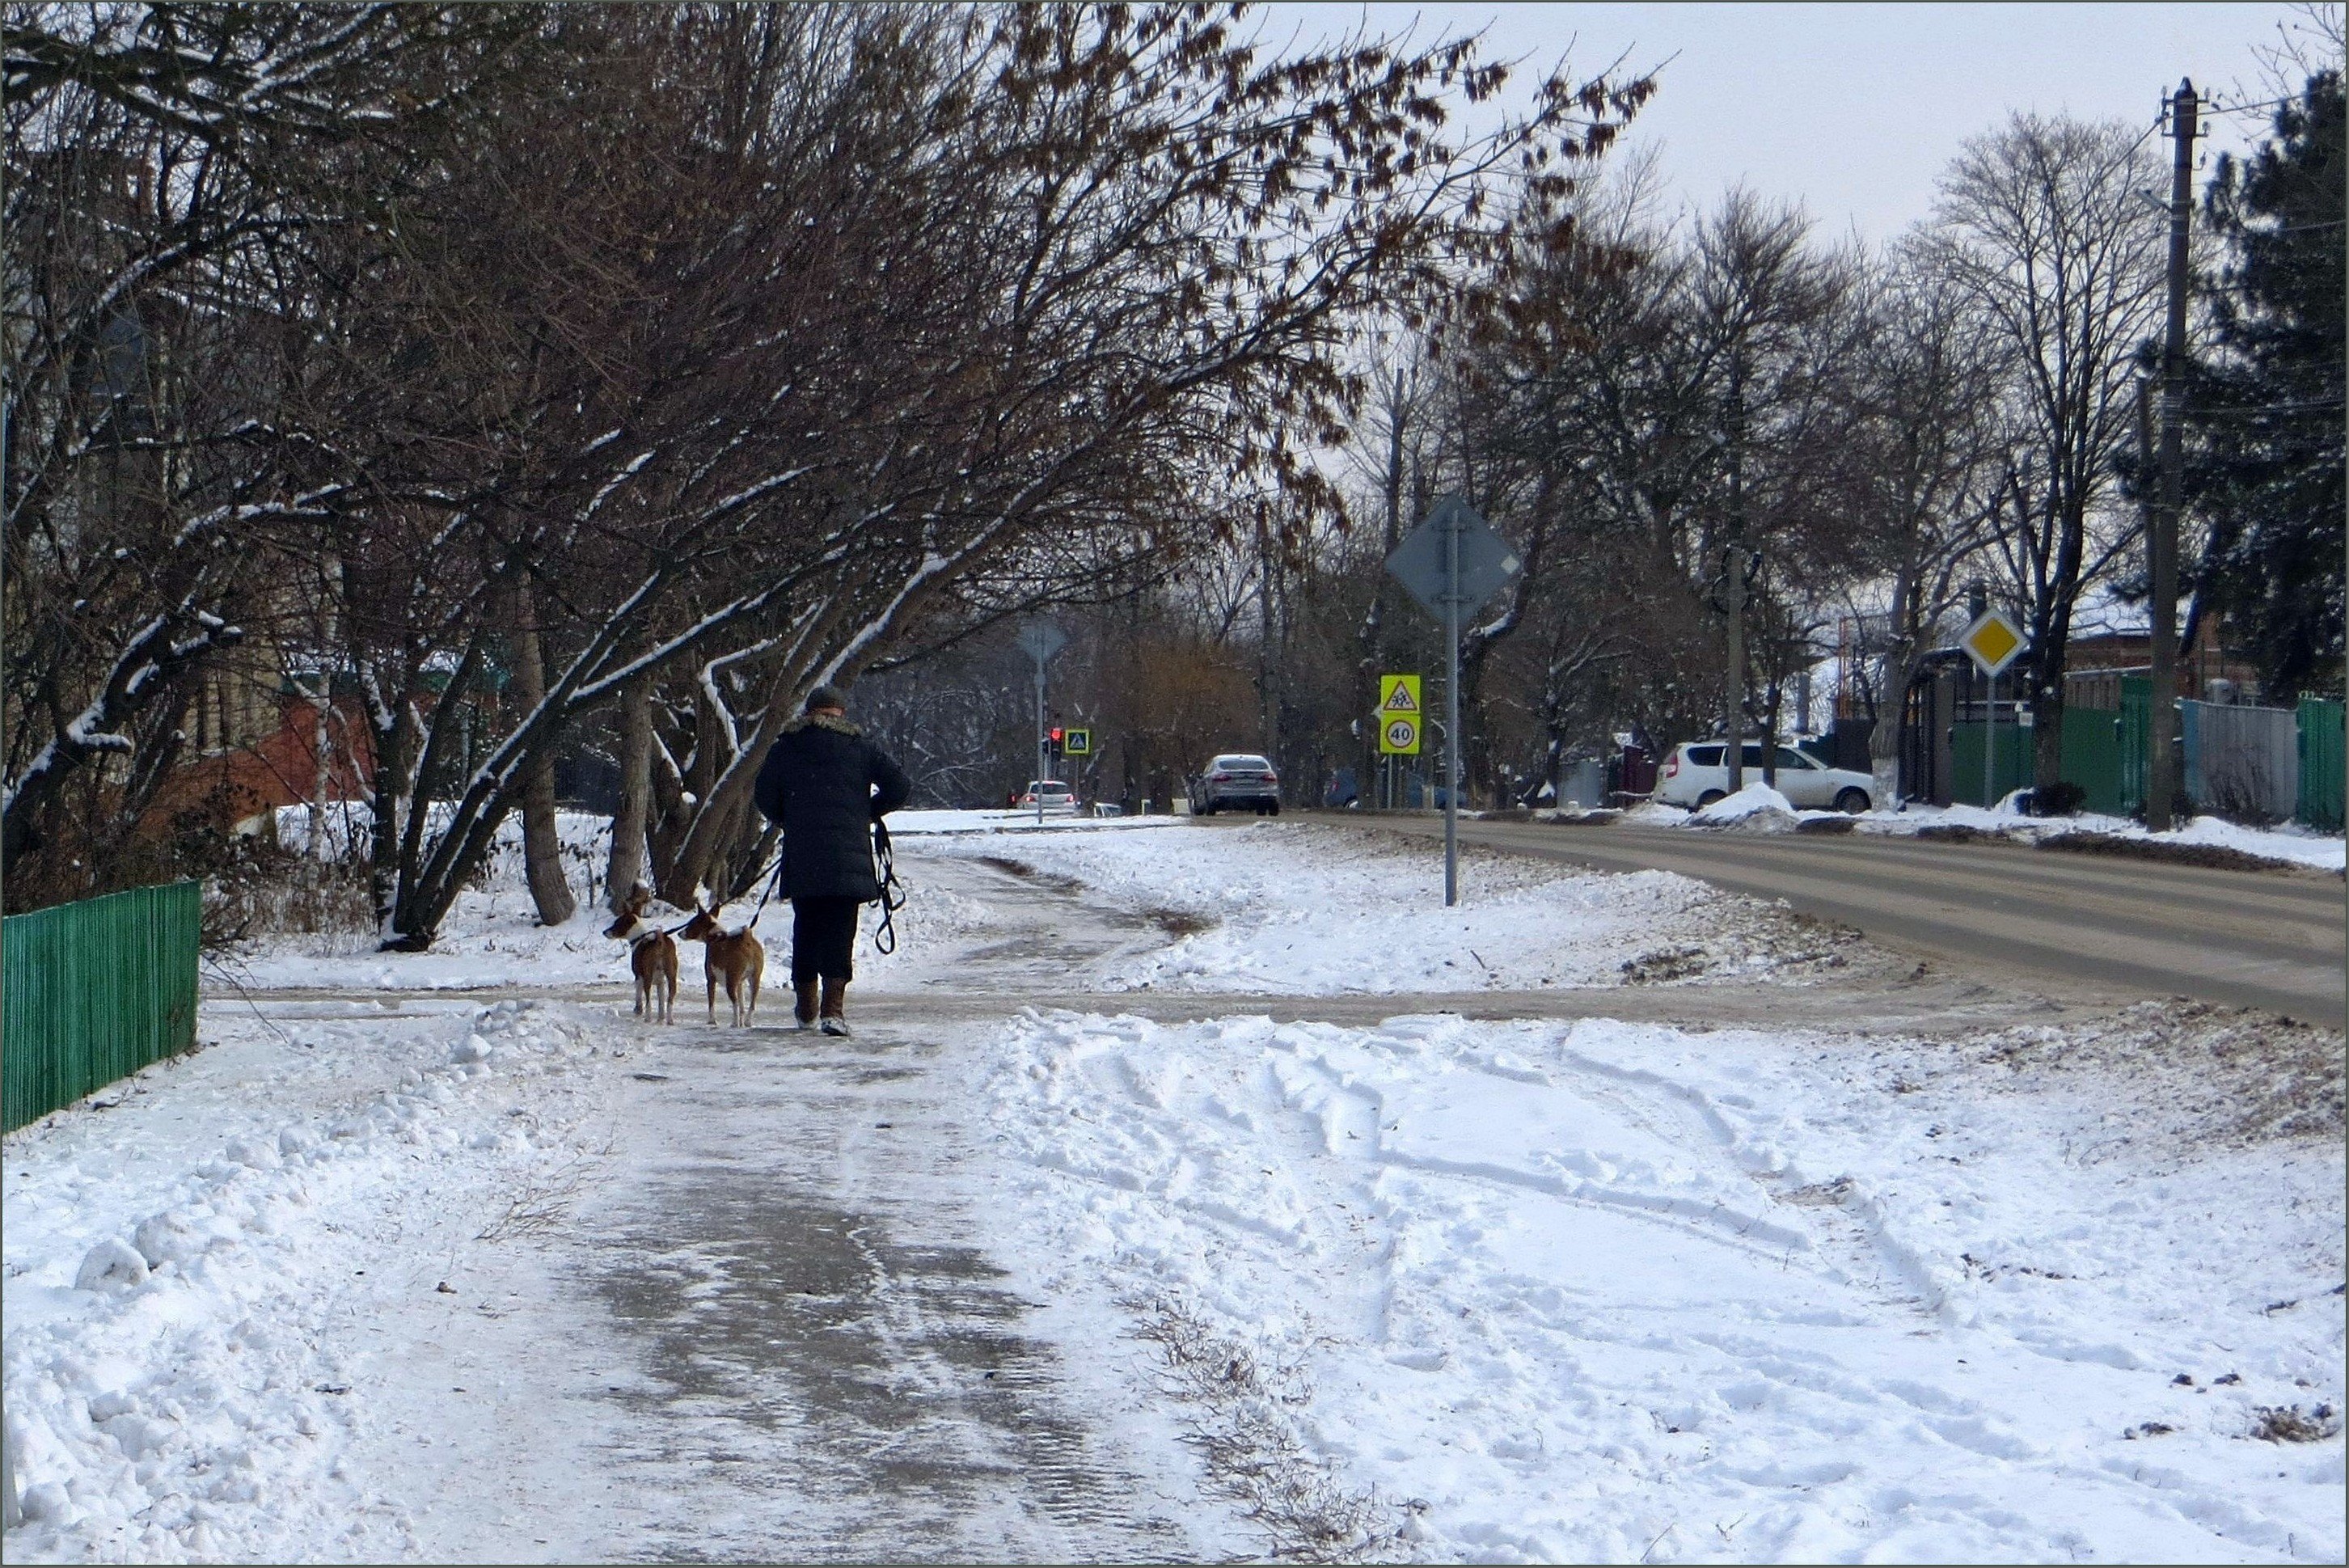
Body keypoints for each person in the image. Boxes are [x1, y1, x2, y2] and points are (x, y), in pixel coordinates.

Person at [751, 684, 911, 1037]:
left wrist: (789, 818)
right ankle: (833, 1012)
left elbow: (762, 794)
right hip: (847, 856)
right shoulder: (860, 748)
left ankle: (806, 1008)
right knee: (841, 932)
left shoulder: (788, 747)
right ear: (840, 713)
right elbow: (900, 786)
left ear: (810, 713)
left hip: (805, 853)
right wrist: (866, 813)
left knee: (806, 928)